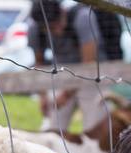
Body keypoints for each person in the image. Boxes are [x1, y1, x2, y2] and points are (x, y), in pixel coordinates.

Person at [26, 0, 114, 132]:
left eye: (57, 24)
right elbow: (39, 63)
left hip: (92, 75)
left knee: (95, 128)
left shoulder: (82, 18)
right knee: (53, 127)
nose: (57, 31)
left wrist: (67, 95)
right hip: (61, 73)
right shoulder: (34, 28)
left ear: (62, 11)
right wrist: (43, 95)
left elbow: (88, 64)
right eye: (49, 28)